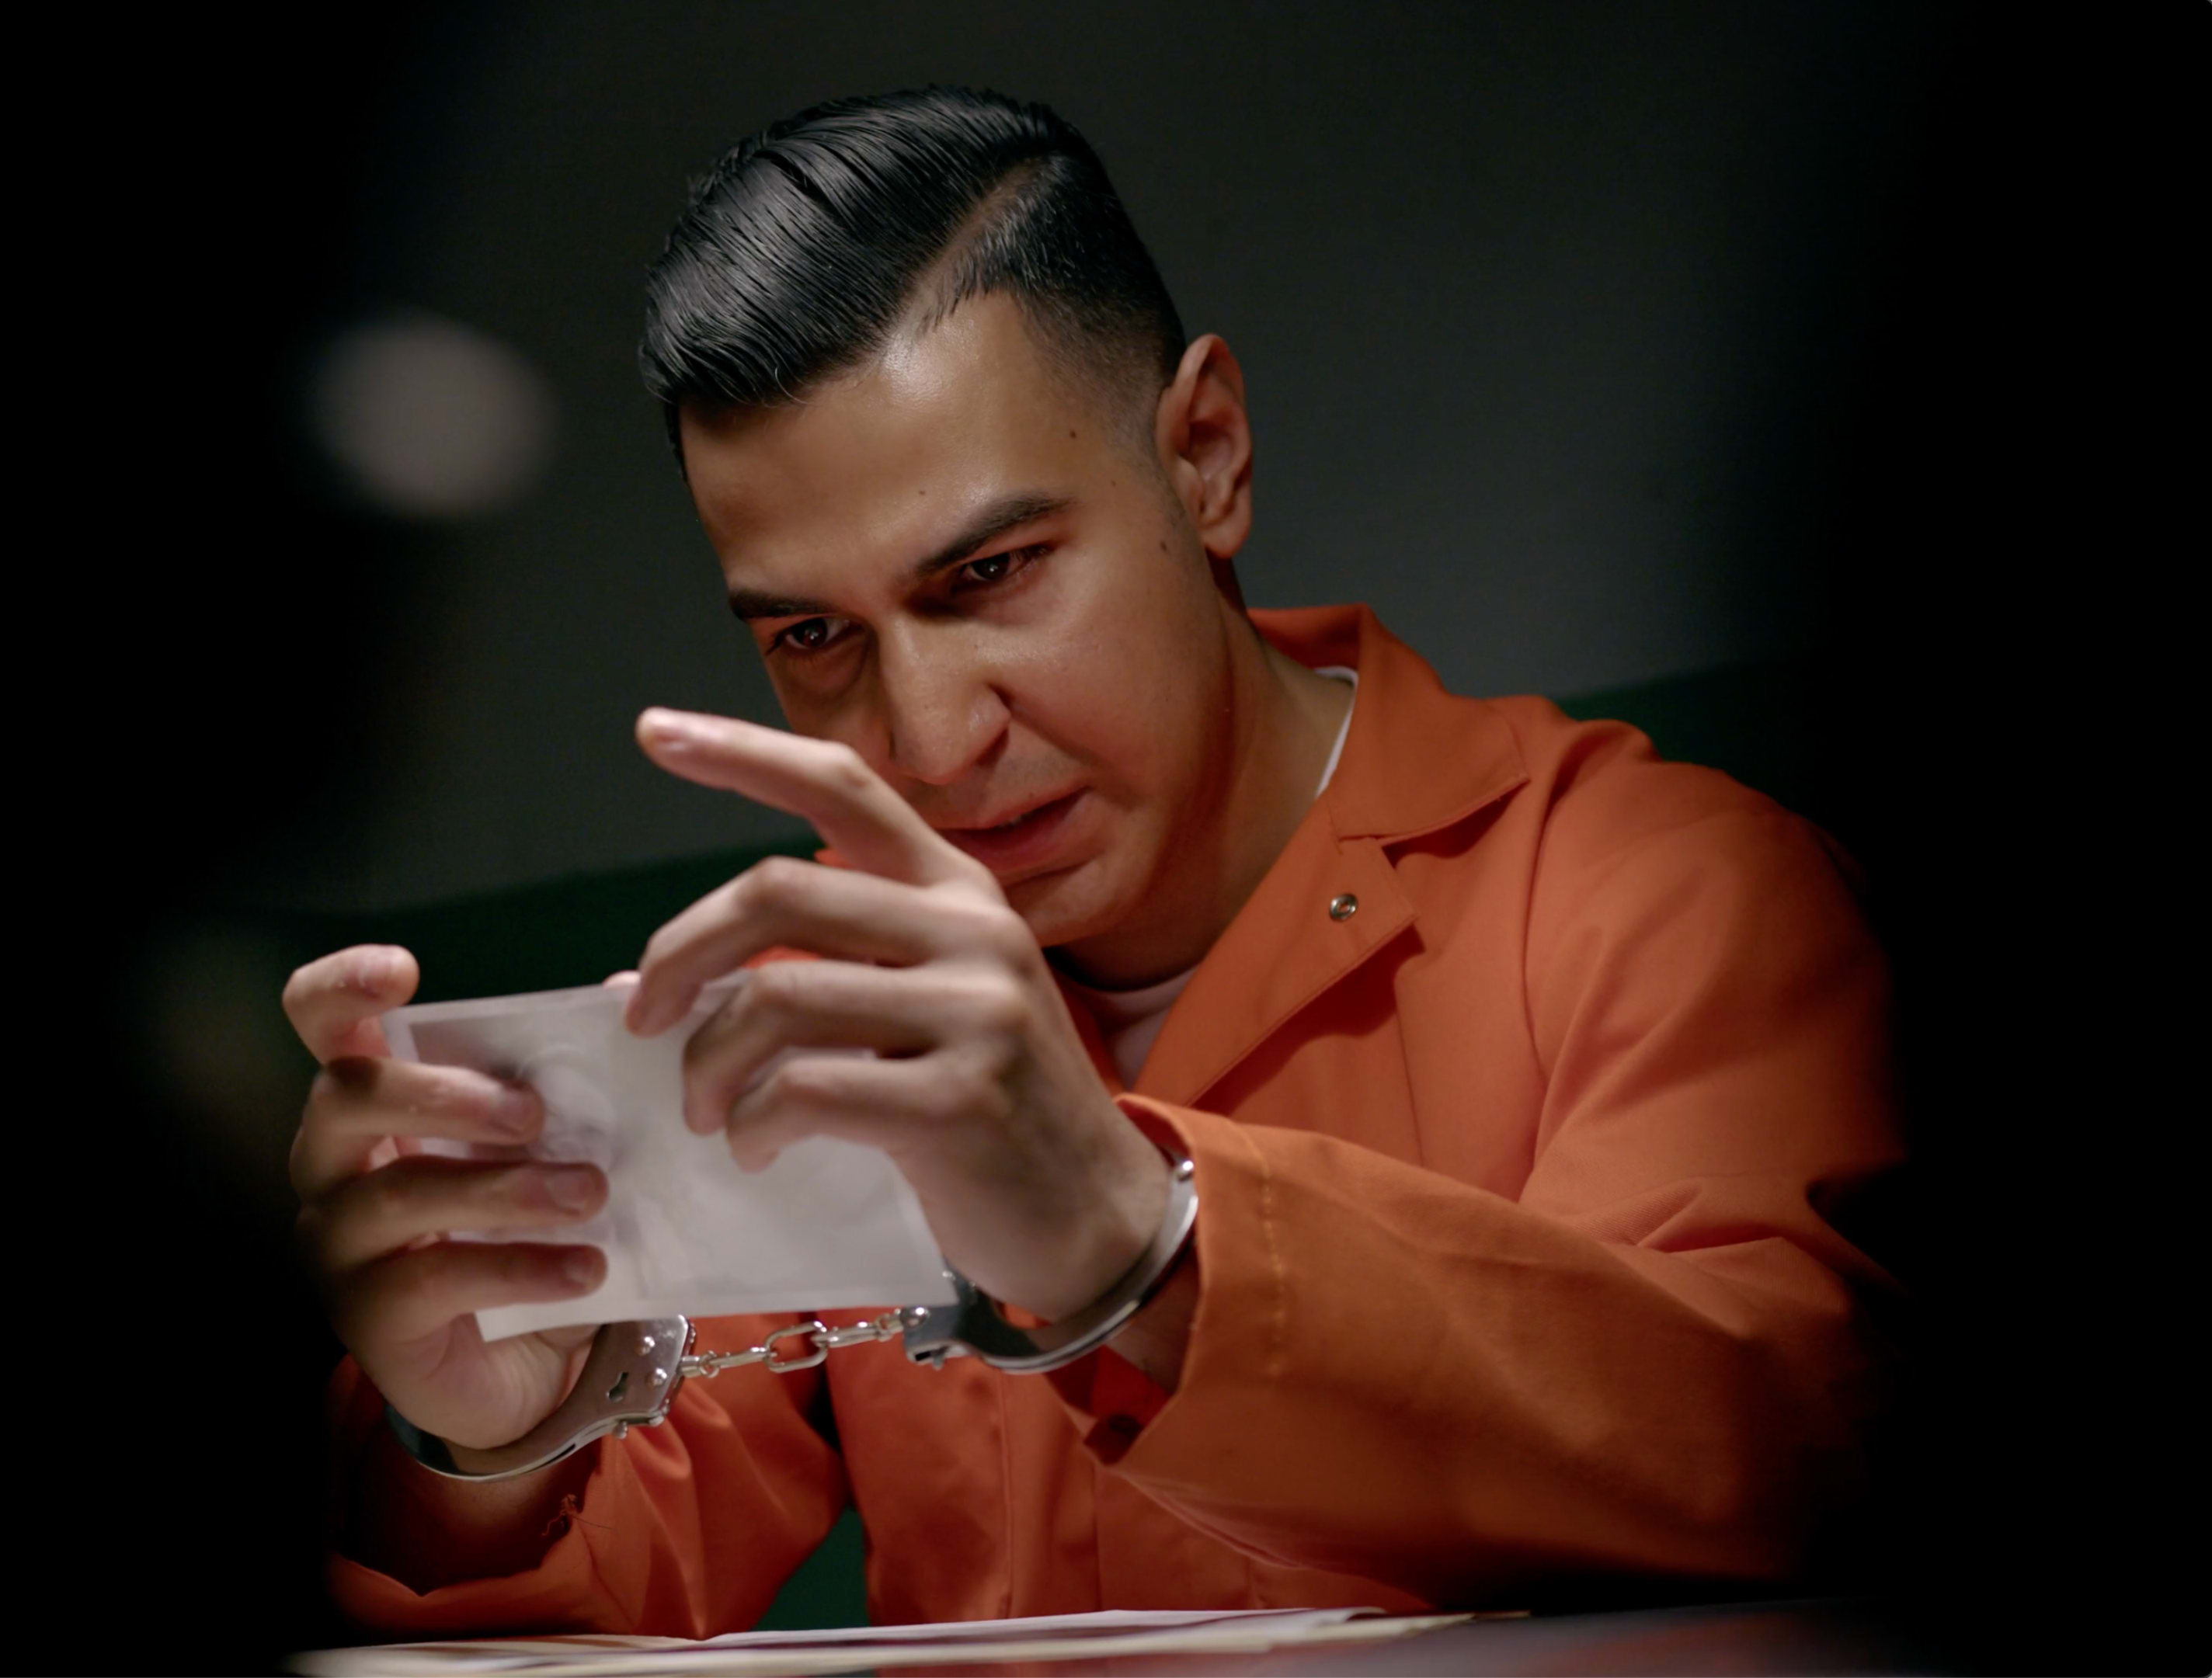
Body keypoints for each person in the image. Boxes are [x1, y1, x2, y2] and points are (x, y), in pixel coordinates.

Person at [282, 87, 1900, 1633]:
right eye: (812, 633)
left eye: (989, 572)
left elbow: (1776, 1456)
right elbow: (612, 1581)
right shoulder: (822, 1019)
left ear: (1205, 453)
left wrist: (1150, 1237)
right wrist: (484, 1445)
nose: (923, 740)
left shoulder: (1673, 898)